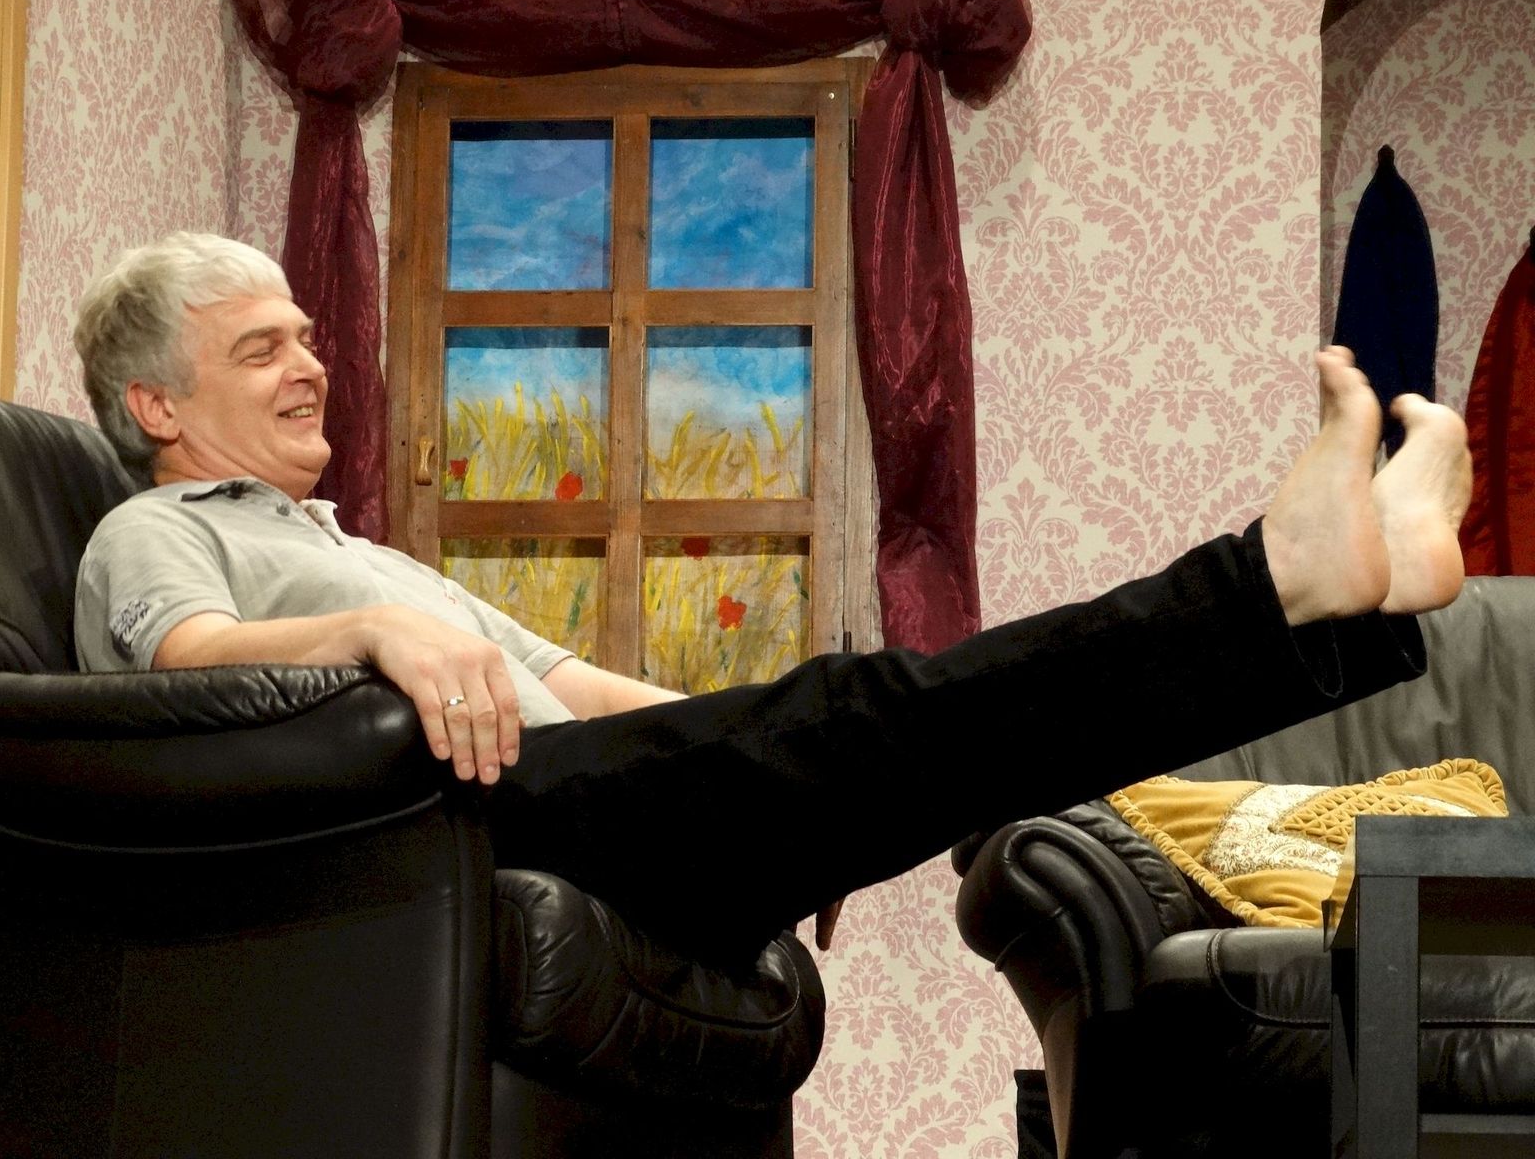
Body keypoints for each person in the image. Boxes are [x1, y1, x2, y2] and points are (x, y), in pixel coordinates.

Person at [73, 232, 1472, 963]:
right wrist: (374, 629)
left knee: (866, 725)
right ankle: (1288, 583)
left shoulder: (347, 543)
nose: (310, 365)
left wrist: (764, 744)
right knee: (879, 715)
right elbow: (189, 670)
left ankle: (1327, 607)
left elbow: (577, 686)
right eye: (261, 350)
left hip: (561, 788)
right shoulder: (148, 531)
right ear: (156, 407)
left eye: (307, 337)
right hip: (453, 830)